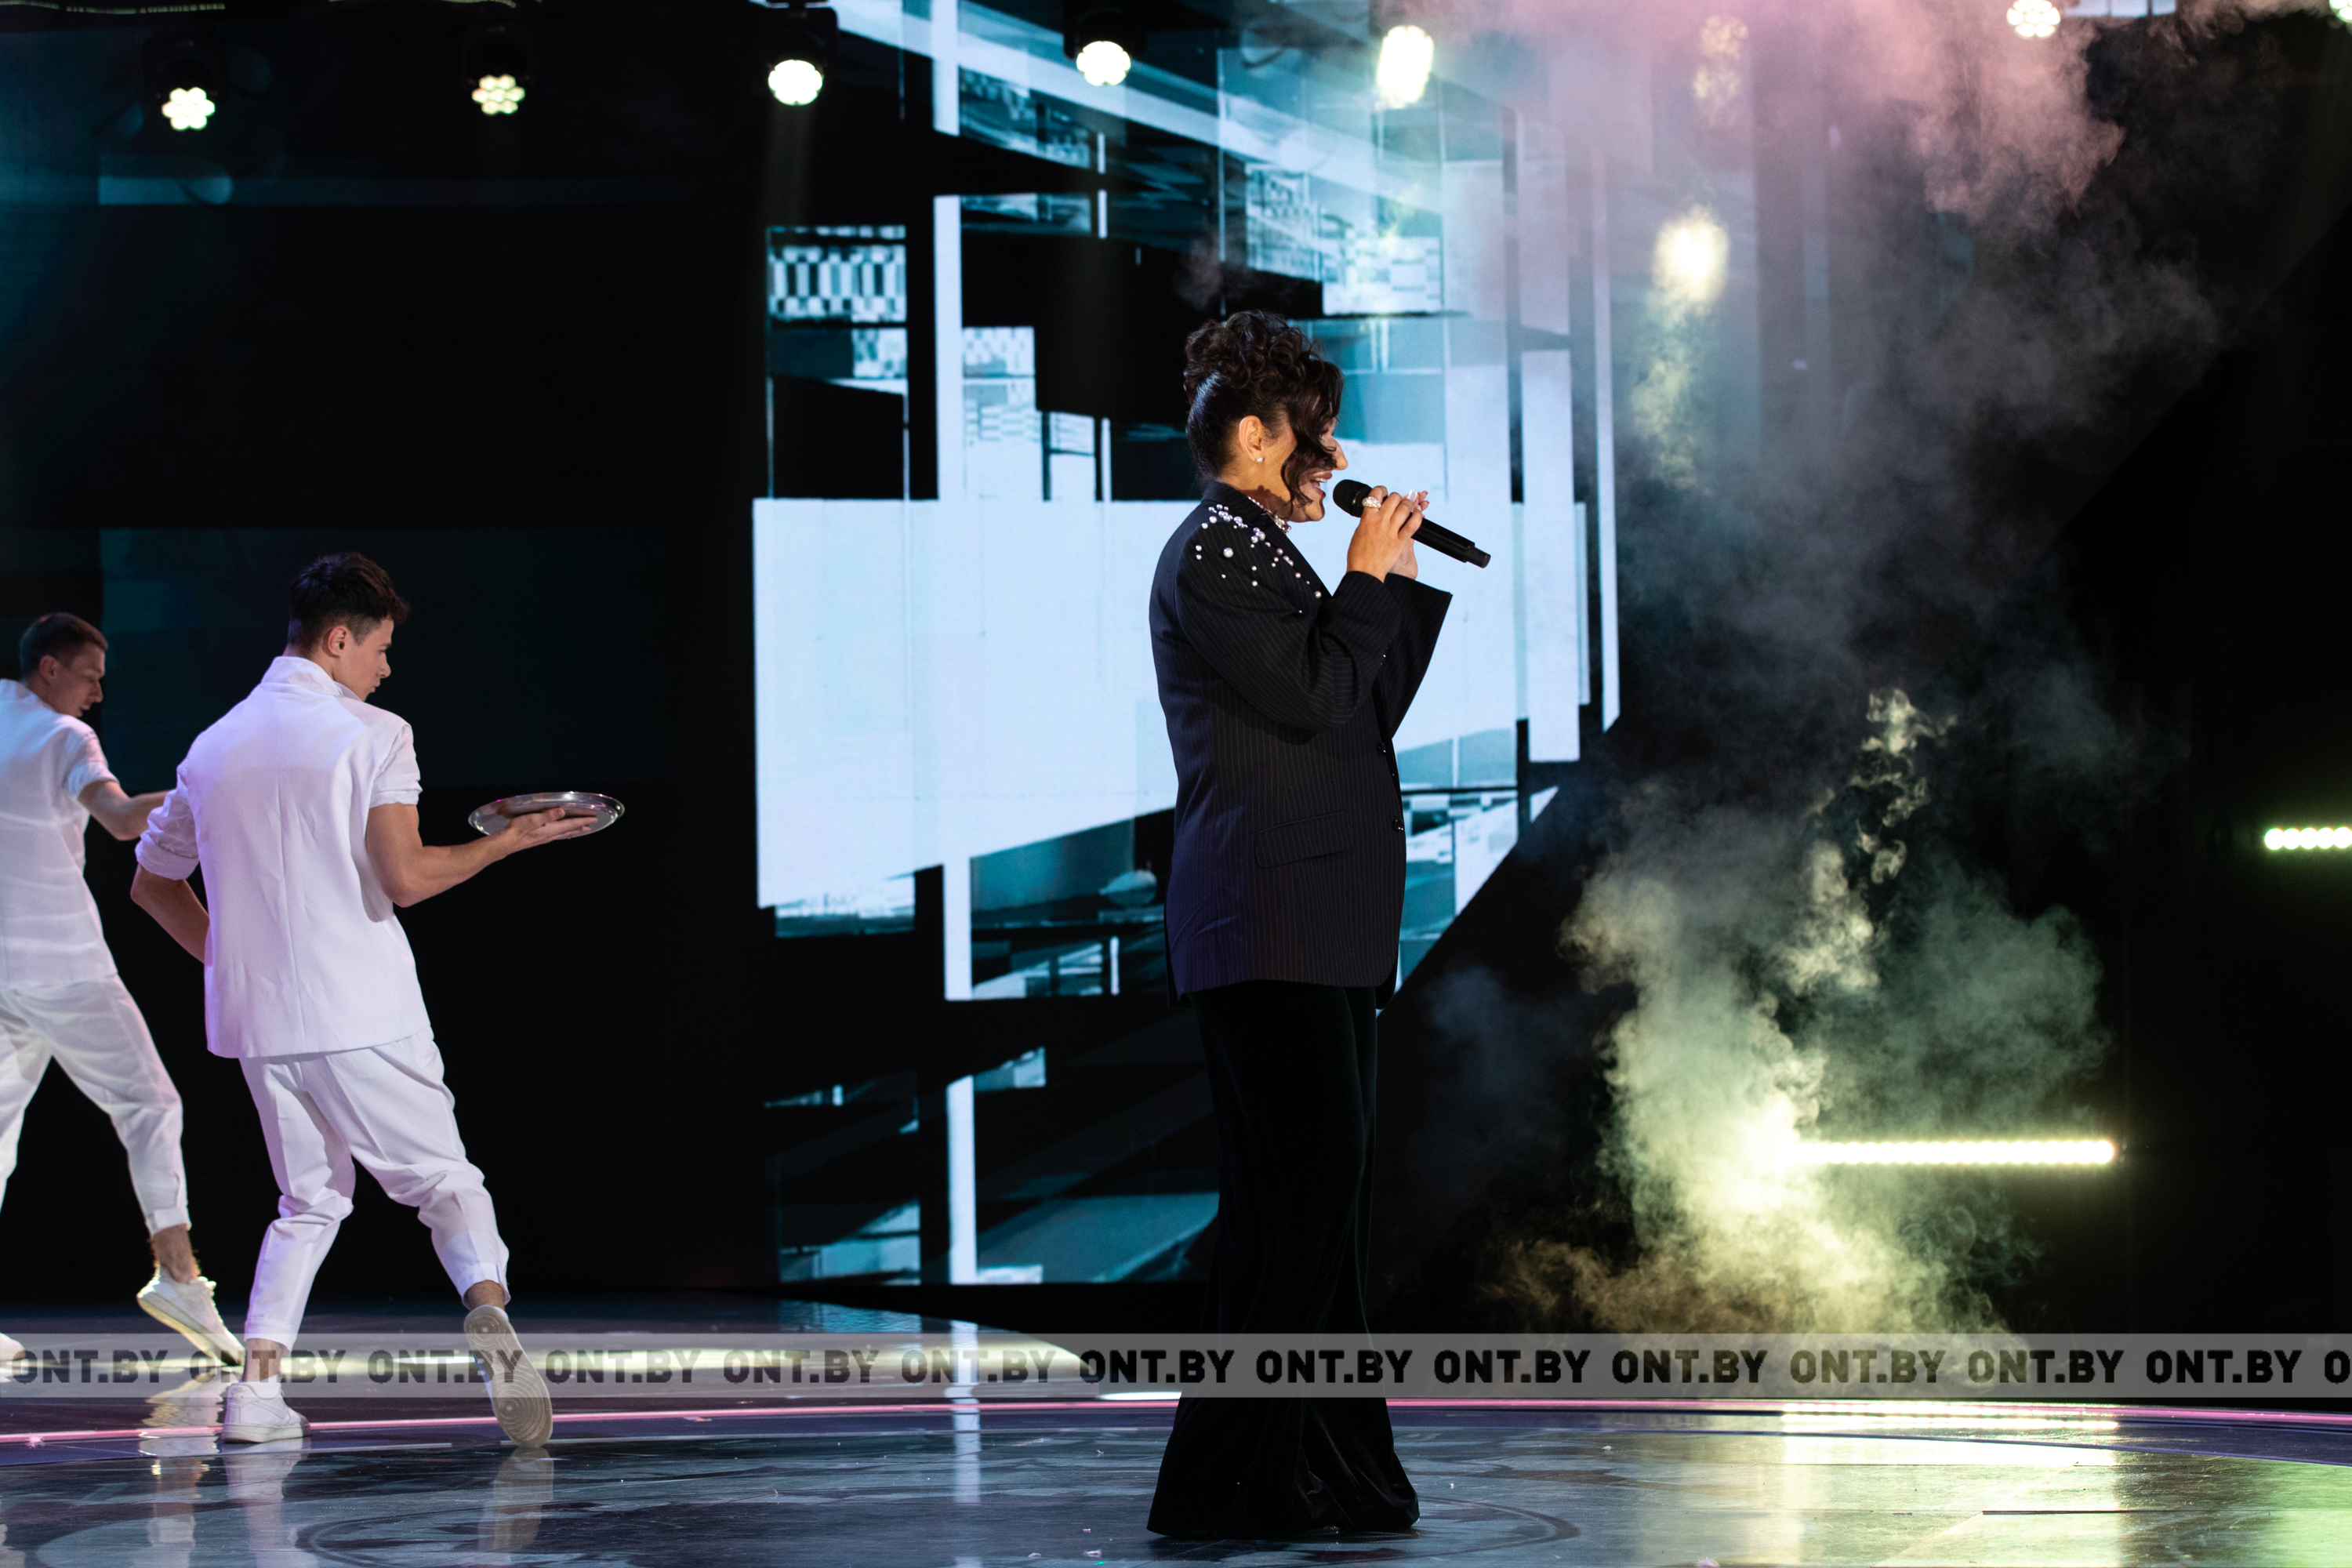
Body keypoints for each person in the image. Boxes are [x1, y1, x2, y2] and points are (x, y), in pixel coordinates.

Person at [129, 554, 593, 1446]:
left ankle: (256, 1398)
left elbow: (151, 883)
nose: (386, 667)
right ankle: (489, 1311)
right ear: (339, 640)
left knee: (307, 1202)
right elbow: (406, 877)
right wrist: (509, 842)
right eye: (380, 648)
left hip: (259, 1022)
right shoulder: (375, 733)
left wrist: (232, 960)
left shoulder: (211, 745)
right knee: (445, 1180)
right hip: (361, 1008)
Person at [1145, 310, 1450, 1537]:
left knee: (1320, 1202)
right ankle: (1228, 1479)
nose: (1335, 460)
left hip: (1318, 918)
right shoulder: (1216, 549)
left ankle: (1335, 1471)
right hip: (1264, 914)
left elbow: (1359, 713)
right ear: (1255, 438)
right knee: (1302, 1196)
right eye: (1315, 438)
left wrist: (1394, 588)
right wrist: (1364, 579)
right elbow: (1322, 690)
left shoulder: (1265, 553)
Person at [0, 613, 241, 1370]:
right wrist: (207, 794)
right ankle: (178, 1275)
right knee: (151, 1103)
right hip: (62, 964)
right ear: (49, 668)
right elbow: (119, 819)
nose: (98, 694)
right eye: (90, 677)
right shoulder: (64, 737)